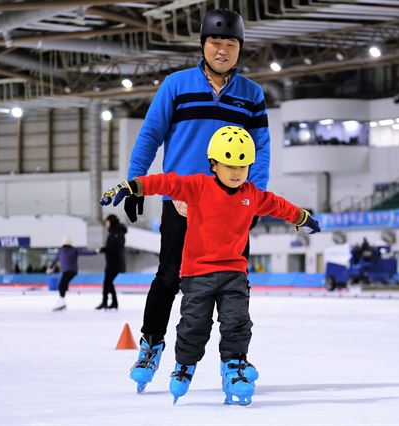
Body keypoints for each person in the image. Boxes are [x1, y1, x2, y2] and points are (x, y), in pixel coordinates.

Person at [101, 126, 320, 405]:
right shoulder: (197, 186)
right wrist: (132, 186)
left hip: (234, 274)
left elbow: (277, 205)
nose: (237, 171)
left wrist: (302, 217)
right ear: (213, 164)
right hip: (197, 274)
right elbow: (167, 182)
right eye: (230, 165)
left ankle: (234, 366)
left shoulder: (251, 194)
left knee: (237, 322)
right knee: (194, 325)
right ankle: (184, 365)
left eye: (243, 165)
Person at [124, 8, 271, 391]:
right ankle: (152, 344)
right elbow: (151, 134)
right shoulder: (176, 85)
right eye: (215, 43)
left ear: (240, 49)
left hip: (231, 205)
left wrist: (254, 197)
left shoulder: (251, 95)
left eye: (230, 44)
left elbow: (263, 149)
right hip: (183, 202)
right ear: (203, 45)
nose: (223, 50)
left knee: (234, 281)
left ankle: (235, 358)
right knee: (169, 276)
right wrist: (136, 182)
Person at [48, 236, 96, 311]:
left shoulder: (61, 251)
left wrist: (50, 268)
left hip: (67, 271)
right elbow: (84, 252)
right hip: (73, 271)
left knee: (61, 286)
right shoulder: (73, 250)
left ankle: (61, 302)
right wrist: (95, 252)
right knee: (63, 285)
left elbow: (55, 260)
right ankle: (62, 301)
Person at [95, 214, 127, 310]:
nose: (106, 224)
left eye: (107, 222)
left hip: (115, 263)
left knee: (107, 283)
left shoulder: (117, 233)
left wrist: (103, 249)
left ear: (111, 221)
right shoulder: (114, 232)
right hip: (112, 263)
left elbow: (115, 248)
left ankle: (105, 302)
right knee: (109, 283)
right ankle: (114, 302)